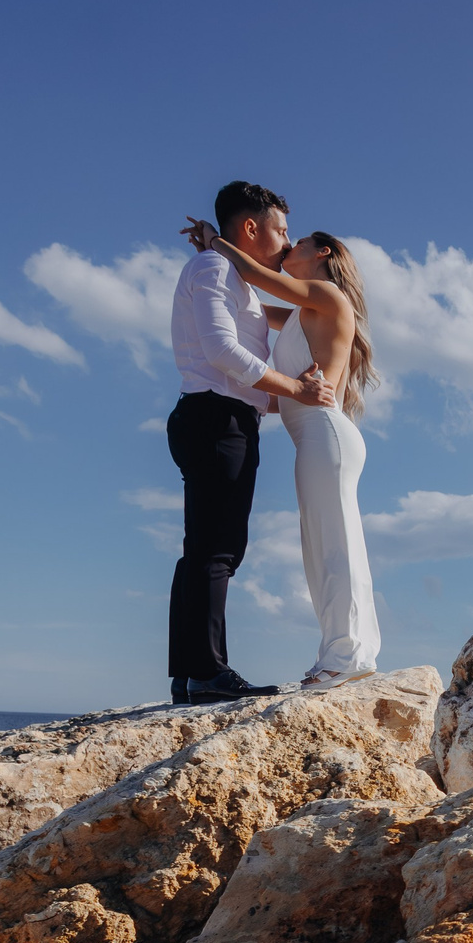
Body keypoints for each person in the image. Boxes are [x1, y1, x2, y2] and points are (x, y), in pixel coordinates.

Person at [182, 219, 383, 689]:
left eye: (300, 242)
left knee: (335, 543)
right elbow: (252, 306)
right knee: (322, 544)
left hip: (325, 435)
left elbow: (254, 276)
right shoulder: (301, 311)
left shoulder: (328, 297)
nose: (290, 245)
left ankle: (348, 655)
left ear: (324, 255)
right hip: (312, 438)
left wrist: (215, 241)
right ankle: (344, 650)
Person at [164, 181, 338, 705]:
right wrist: (296, 389)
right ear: (250, 228)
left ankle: (189, 673)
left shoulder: (231, 275)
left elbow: (264, 330)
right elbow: (221, 351)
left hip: (222, 419)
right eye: (282, 230)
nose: (287, 242)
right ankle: (208, 673)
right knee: (216, 551)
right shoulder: (214, 271)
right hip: (216, 420)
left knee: (207, 550)